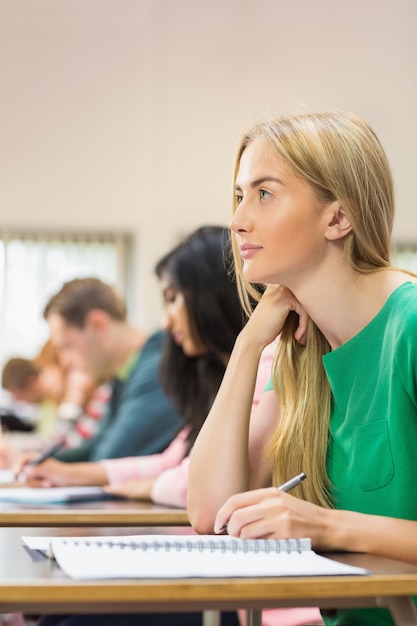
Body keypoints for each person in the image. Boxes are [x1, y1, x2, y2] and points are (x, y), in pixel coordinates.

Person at [187, 110, 417, 626]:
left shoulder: (411, 325)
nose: (238, 219)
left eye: (264, 194)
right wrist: (249, 345)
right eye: (240, 196)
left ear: (338, 218)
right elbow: (210, 512)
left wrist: (329, 527)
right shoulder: (301, 355)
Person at [33, 226, 270, 626]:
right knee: (56, 613)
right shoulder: (213, 374)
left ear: (211, 293)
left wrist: (148, 482)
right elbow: (173, 460)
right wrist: (72, 473)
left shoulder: (264, 363)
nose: (166, 321)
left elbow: (194, 484)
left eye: (174, 298)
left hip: (237, 578)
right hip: (208, 557)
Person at [16, 277, 183, 473]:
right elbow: (96, 446)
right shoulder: (124, 374)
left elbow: (110, 457)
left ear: (98, 324)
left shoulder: (159, 367)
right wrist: (42, 462)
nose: (64, 361)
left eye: (67, 346)